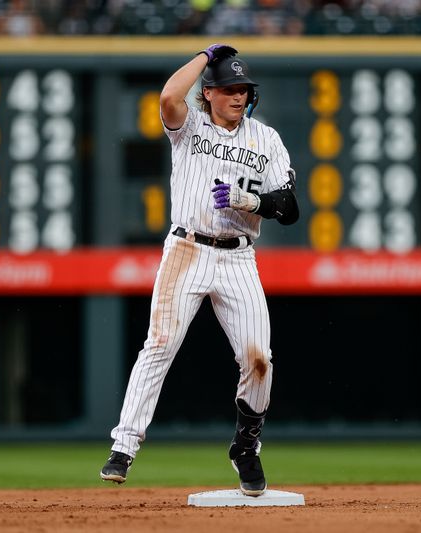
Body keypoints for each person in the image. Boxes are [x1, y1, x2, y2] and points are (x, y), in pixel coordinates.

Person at [100, 44, 299, 497]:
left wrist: (255, 203)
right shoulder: (189, 126)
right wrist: (205, 55)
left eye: (244, 90)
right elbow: (169, 97)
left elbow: (289, 209)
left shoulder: (265, 139)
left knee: (259, 359)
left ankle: (246, 447)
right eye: (229, 88)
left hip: (238, 257)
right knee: (161, 344)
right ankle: (124, 446)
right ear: (207, 93)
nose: (238, 96)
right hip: (187, 249)